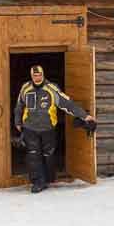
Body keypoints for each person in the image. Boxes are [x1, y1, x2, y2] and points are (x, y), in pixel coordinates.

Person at [14, 65, 95, 193]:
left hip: (48, 128)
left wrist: (84, 116)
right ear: (31, 76)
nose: (37, 78)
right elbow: (19, 106)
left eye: (39, 75)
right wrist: (18, 122)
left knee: (48, 155)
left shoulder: (52, 89)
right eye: (35, 75)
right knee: (33, 155)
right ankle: (37, 182)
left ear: (43, 74)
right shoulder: (25, 88)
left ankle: (48, 178)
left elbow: (68, 104)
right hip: (30, 128)